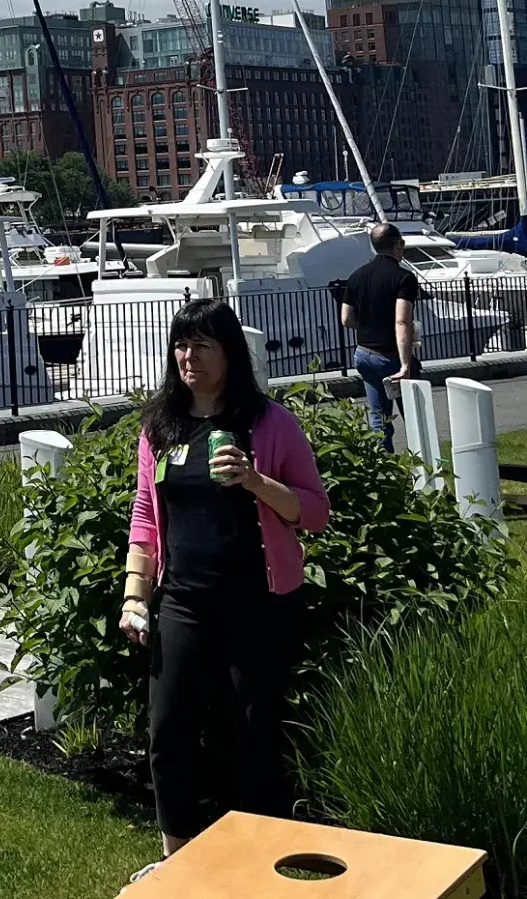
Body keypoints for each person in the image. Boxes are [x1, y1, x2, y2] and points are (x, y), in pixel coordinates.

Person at [117, 299, 329, 886]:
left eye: (203, 345)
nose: (189, 357)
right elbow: (145, 515)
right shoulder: (160, 427)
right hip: (184, 600)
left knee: (253, 732)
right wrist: (135, 595)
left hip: (259, 602)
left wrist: (256, 481)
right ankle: (178, 861)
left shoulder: (270, 423)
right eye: (181, 345)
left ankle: (261, 863)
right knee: (169, 728)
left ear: (230, 353)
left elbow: (314, 512)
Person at [340, 222, 421, 450]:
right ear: (396, 245)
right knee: (415, 415)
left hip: (365, 353)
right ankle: (423, 464)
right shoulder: (403, 278)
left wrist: (369, 324)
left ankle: (383, 470)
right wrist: (405, 364)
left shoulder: (356, 276)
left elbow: (346, 319)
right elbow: (402, 320)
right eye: (402, 244)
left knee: (379, 419)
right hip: (391, 354)